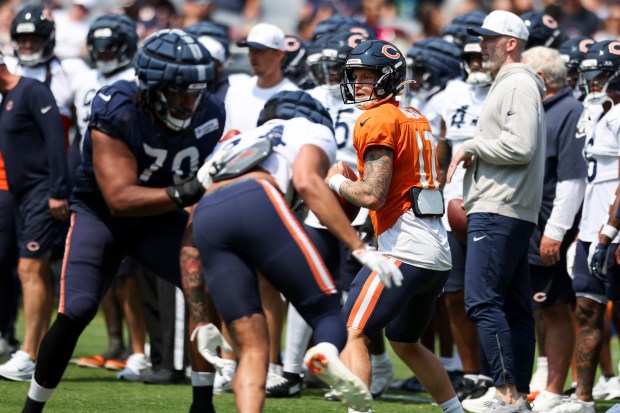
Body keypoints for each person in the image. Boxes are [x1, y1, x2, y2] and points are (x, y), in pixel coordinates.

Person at [20, 29, 225, 413]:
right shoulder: (117, 107)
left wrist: (198, 211)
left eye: (194, 91)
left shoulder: (210, 111)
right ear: (150, 87)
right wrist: (189, 191)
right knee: (77, 309)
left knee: (206, 286)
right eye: (177, 91)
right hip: (103, 216)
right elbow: (119, 197)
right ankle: (32, 407)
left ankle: (202, 405)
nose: (187, 102)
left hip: (160, 218)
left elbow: (200, 187)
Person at [186, 89, 403, 413]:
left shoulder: (235, 143)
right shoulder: (311, 130)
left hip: (206, 216)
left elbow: (189, 242)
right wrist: (358, 247)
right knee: (328, 310)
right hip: (258, 197)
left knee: (253, 345)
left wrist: (201, 318)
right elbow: (305, 182)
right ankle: (326, 352)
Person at [328, 39, 461, 413]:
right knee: (405, 342)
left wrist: (336, 182)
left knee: (353, 331)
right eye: (356, 76)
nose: (359, 84)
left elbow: (372, 194)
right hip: (435, 253)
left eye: (369, 76)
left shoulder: (379, 119)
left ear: (389, 79)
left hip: (405, 250)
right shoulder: (414, 116)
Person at [447, 9, 546, 412]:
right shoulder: (513, 82)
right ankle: (517, 395)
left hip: (498, 208)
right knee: (513, 307)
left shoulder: (517, 83)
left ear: (511, 44)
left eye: (489, 38)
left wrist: (471, 145)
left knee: (482, 302)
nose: (481, 45)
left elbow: (520, 147)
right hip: (509, 209)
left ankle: (506, 394)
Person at [520, 46, 585, 411]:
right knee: (534, 307)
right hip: (530, 221)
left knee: (554, 307)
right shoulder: (540, 110)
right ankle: (538, 384)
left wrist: (556, 231)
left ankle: (555, 389)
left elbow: (572, 180)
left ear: (541, 79)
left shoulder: (569, 111)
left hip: (548, 224)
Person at [0, 52, 69, 382]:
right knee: (33, 270)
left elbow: (56, 138)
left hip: (43, 191)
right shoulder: (9, 99)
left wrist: (58, 189)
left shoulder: (32, 90)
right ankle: (36, 352)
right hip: (24, 196)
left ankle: (29, 355)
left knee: (30, 268)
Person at [562, 39, 620, 413]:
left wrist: (611, 230)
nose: (590, 83)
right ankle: (583, 397)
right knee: (586, 309)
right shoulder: (599, 113)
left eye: (597, 75)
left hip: (611, 230)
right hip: (591, 230)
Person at [437, 27, 494, 403]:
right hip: (452, 201)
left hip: (490, 201)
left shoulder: (505, 92)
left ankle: (496, 373)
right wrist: (438, 187)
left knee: (489, 295)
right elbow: (441, 140)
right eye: (471, 58)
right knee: (454, 295)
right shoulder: (450, 94)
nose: (477, 65)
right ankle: (471, 372)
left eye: (481, 58)